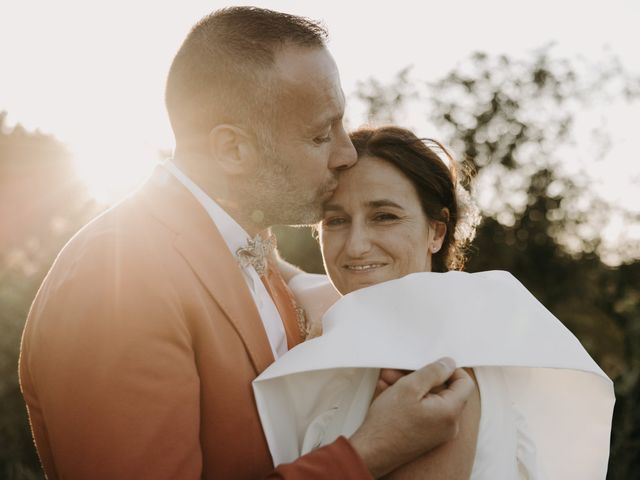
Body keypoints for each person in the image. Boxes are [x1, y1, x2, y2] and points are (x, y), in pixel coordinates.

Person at [18, 8, 474, 480]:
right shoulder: (116, 281)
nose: (347, 154)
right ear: (233, 150)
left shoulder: (254, 256)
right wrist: (370, 451)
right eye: (321, 135)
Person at [253, 126, 615, 479]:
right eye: (336, 221)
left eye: (385, 217)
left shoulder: (434, 364)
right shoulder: (382, 324)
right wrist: (260, 245)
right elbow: (307, 282)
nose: (356, 245)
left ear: (437, 232)